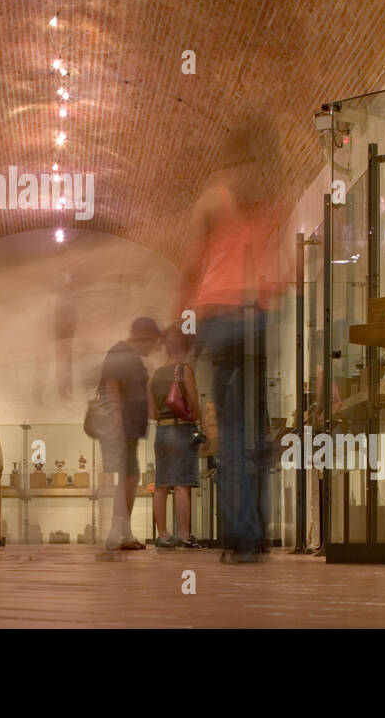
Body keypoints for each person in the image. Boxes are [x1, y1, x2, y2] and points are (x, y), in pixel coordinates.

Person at [178, 143, 280, 563]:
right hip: (255, 316)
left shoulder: (213, 198)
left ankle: (239, 538)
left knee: (233, 433)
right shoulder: (264, 200)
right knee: (256, 429)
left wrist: (182, 322)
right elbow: (273, 269)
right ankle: (257, 534)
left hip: (219, 316)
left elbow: (190, 267)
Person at [98, 316, 161, 551]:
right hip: (121, 427)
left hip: (130, 427)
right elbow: (111, 383)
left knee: (129, 478)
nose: (153, 347)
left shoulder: (133, 358)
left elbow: (142, 390)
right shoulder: (121, 353)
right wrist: (115, 417)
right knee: (127, 479)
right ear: (143, 336)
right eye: (152, 340)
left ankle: (124, 532)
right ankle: (117, 533)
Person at [150, 324, 205, 549]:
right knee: (182, 483)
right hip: (181, 429)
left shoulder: (156, 373)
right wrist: (199, 420)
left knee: (162, 484)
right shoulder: (184, 369)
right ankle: (184, 536)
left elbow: (152, 410)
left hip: (161, 431)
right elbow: (192, 398)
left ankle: (163, 536)